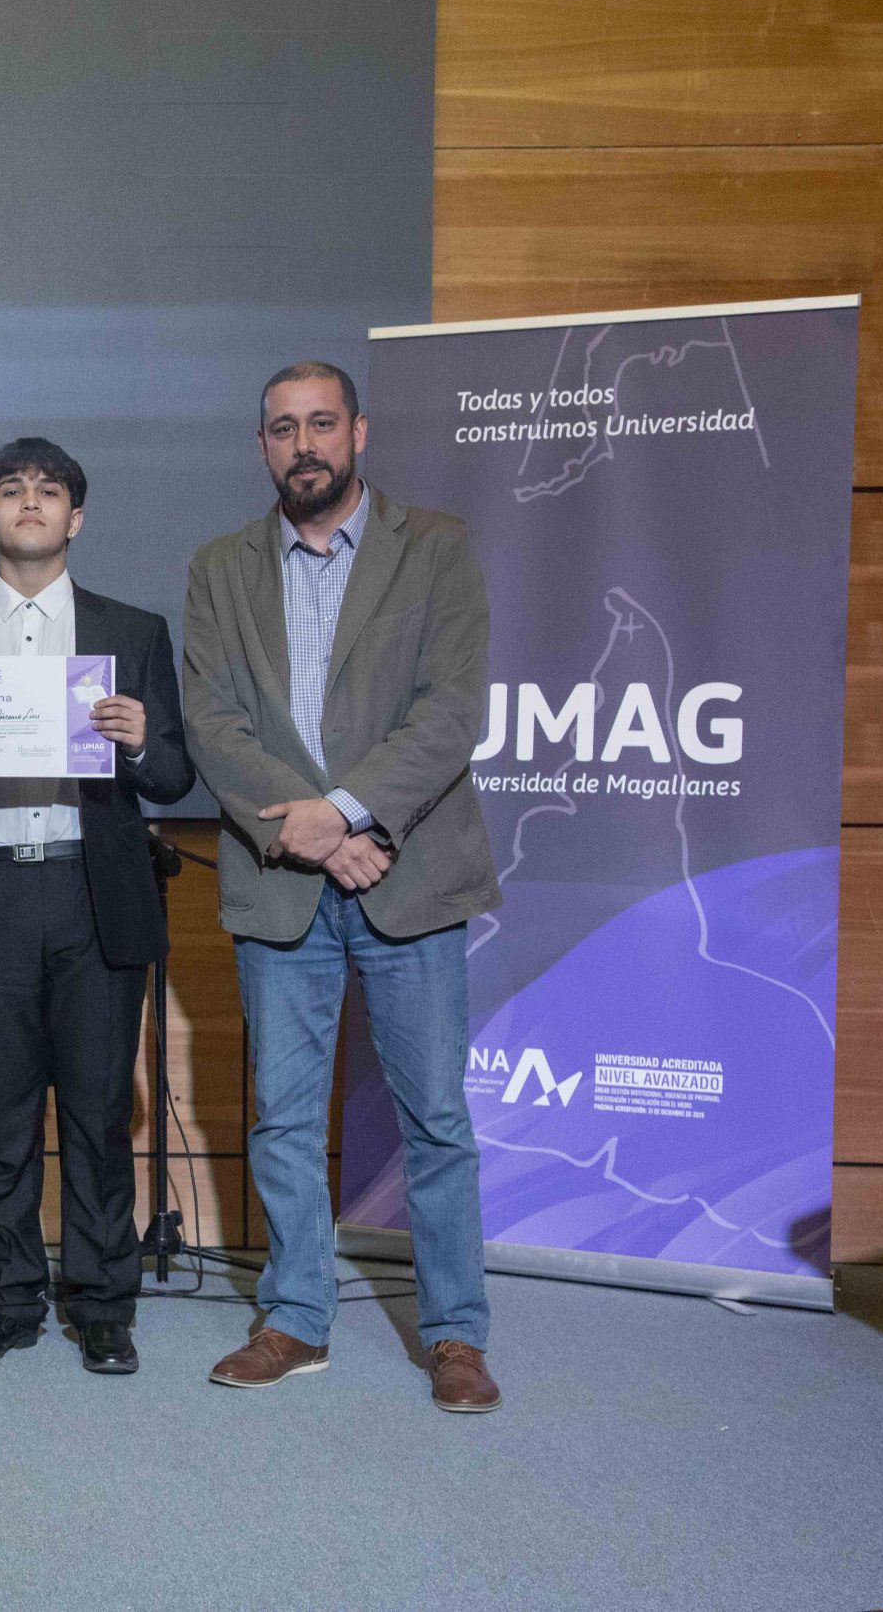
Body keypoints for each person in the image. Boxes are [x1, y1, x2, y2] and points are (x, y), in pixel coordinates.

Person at [182, 359, 505, 1413]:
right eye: (282, 429)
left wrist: (350, 814)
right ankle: (293, 1320)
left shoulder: (438, 548)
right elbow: (214, 728)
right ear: (262, 446)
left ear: (359, 433)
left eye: (322, 423)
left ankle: (455, 1334)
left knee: (434, 1120)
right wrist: (319, 838)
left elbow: (450, 712)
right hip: (285, 886)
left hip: (407, 877)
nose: (303, 444)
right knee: (280, 1118)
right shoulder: (219, 566)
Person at [0, 438, 194, 1371]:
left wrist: (141, 741)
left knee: (98, 1114)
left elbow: (175, 773)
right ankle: (10, 1298)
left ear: (76, 517)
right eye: (10, 492)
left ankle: (104, 1304)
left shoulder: (130, 630)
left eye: (48, 491)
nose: (29, 503)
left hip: (92, 891)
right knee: (5, 1114)